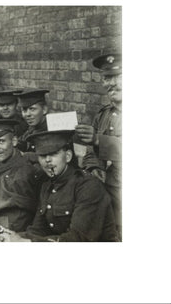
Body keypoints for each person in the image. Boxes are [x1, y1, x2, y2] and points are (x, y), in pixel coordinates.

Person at [0, 130, 118, 242]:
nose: (47, 160)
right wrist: (16, 237)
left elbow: (78, 238)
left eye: (53, 154)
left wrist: (27, 242)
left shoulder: (88, 186)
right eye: (42, 156)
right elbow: (38, 229)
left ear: (68, 156)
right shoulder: (47, 185)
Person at [76, 53, 122, 238]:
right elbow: (90, 151)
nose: (111, 83)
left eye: (118, 77)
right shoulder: (103, 114)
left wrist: (97, 140)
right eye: (106, 78)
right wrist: (93, 165)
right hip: (107, 196)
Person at [14, 88, 49, 153]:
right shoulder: (31, 129)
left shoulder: (51, 130)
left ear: (44, 109)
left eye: (32, 109)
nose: (27, 114)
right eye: (24, 110)